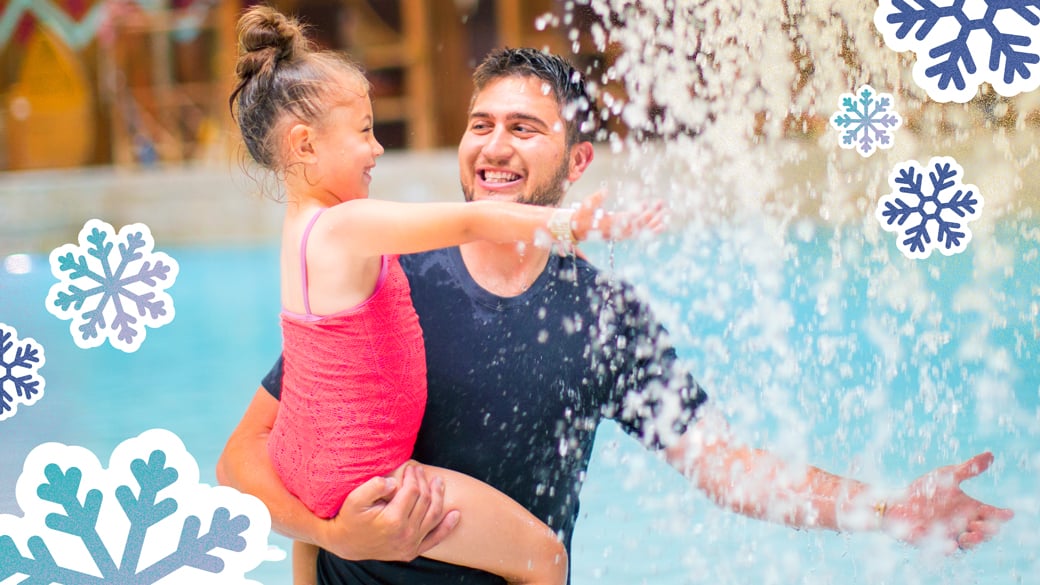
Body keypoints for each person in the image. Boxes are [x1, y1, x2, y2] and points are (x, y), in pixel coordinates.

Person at [217, 46, 1014, 584]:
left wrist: (886, 507)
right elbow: (248, 456)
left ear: (578, 162)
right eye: (481, 125)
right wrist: (335, 534)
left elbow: (726, 468)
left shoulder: (603, 316)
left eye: (525, 129)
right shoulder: (387, 276)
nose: (493, 147)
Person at [227, 8, 662, 585]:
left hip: (310, 462)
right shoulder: (343, 227)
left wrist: (550, 265)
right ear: (304, 145)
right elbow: (467, 225)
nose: (378, 148)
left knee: (312, 543)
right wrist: (562, 225)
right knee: (545, 559)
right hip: (371, 478)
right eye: (363, 131)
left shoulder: (313, 234)